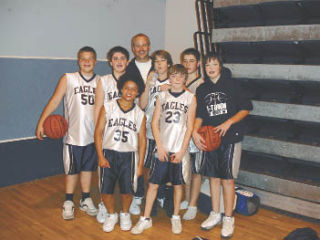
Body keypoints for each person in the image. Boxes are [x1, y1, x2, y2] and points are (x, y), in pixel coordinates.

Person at [131, 64, 197, 235]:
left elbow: (190, 127)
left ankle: (175, 216)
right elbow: (154, 122)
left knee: (177, 185)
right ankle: (145, 218)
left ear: (185, 78)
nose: (176, 80)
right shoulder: (162, 95)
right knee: (152, 184)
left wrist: (183, 151)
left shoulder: (190, 98)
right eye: (173, 76)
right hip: (163, 147)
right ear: (170, 76)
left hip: (179, 149)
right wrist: (159, 146)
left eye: (180, 76)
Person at [193, 52, 253, 238]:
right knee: (212, 178)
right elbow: (200, 115)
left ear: (220, 66)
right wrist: (195, 132)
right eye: (207, 65)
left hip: (230, 138)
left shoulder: (233, 84)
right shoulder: (202, 89)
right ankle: (215, 213)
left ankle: (228, 218)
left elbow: (246, 108)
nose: (210, 68)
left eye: (214, 64)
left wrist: (229, 122)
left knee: (227, 179)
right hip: (211, 138)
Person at [36, 46, 99, 220]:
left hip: (93, 136)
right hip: (73, 135)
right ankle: (69, 201)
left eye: (90, 58)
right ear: (78, 61)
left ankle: (86, 199)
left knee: (88, 169)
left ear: (95, 61)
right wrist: (42, 122)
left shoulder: (100, 81)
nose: (87, 61)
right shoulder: (69, 78)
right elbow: (55, 100)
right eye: (83, 58)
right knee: (72, 171)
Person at [94, 73, 146, 232]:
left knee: (127, 190)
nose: (130, 92)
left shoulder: (140, 114)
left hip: (129, 155)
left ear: (138, 93)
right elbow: (98, 132)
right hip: (109, 153)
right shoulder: (108, 106)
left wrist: (140, 165)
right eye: (127, 88)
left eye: (134, 89)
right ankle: (111, 214)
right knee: (105, 189)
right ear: (121, 89)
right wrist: (100, 156)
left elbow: (143, 140)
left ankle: (125, 214)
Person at [94, 46, 130, 223]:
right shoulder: (104, 80)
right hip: (108, 132)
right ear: (110, 62)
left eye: (122, 58)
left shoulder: (133, 80)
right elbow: (98, 107)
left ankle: (126, 207)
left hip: (126, 133)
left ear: (127, 61)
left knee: (124, 173)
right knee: (106, 171)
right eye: (115, 58)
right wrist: (98, 133)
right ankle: (103, 203)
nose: (119, 61)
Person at [139, 50, 172, 213]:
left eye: (162, 60)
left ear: (169, 64)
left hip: (167, 133)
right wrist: (147, 85)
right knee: (147, 168)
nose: (159, 64)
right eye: (156, 61)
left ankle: (163, 196)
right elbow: (142, 105)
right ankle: (149, 199)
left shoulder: (174, 82)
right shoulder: (151, 81)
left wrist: (172, 87)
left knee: (166, 169)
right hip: (149, 131)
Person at [126, 33, 153, 215]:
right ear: (133, 48)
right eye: (137, 45)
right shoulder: (128, 69)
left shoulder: (160, 64)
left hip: (158, 120)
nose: (141, 48)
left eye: (144, 45)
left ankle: (157, 193)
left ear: (149, 46)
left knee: (155, 161)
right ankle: (137, 194)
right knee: (137, 160)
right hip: (136, 119)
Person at [179, 48, 204, 219]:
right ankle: (187, 200)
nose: (188, 64)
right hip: (182, 132)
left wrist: (194, 131)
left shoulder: (201, 84)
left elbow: (200, 111)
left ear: (198, 63)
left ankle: (193, 205)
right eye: (185, 61)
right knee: (186, 168)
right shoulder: (182, 81)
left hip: (196, 132)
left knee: (196, 171)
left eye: (191, 61)